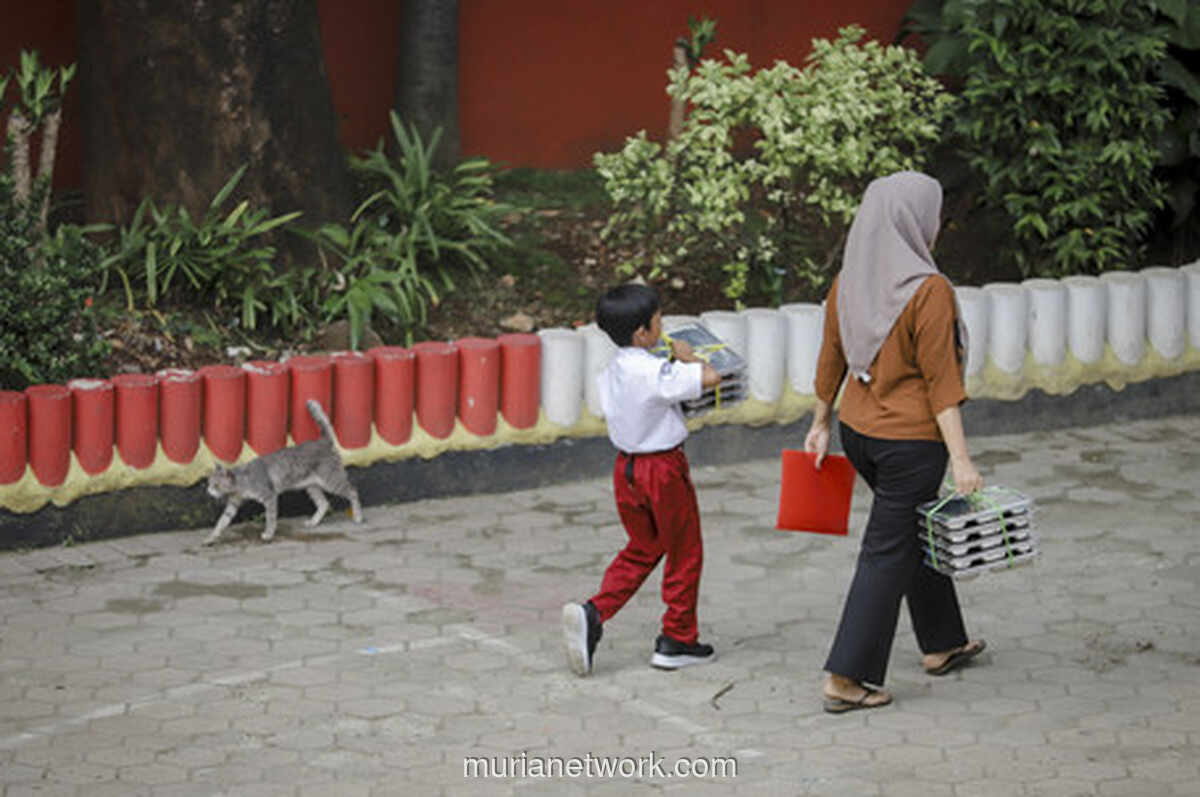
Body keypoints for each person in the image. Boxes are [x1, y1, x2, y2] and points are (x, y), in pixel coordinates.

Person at [804, 171, 987, 713]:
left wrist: (820, 424)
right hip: (911, 444)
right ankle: (846, 677)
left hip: (859, 434)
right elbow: (942, 384)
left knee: (910, 530)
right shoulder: (929, 291)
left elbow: (831, 357)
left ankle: (943, 642)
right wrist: (962, 460)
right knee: (886, 551)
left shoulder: (848, 281)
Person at [562, 283, 722, 675]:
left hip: (627, 470)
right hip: (663, 470)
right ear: (642, 332)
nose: (662, 328)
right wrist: (687, 358)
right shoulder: (657, 371)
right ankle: (678, 638)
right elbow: (711, 377)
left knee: (644, 547)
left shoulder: (613, 370)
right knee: (685, 551)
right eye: (658, 322)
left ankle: (594, 611)